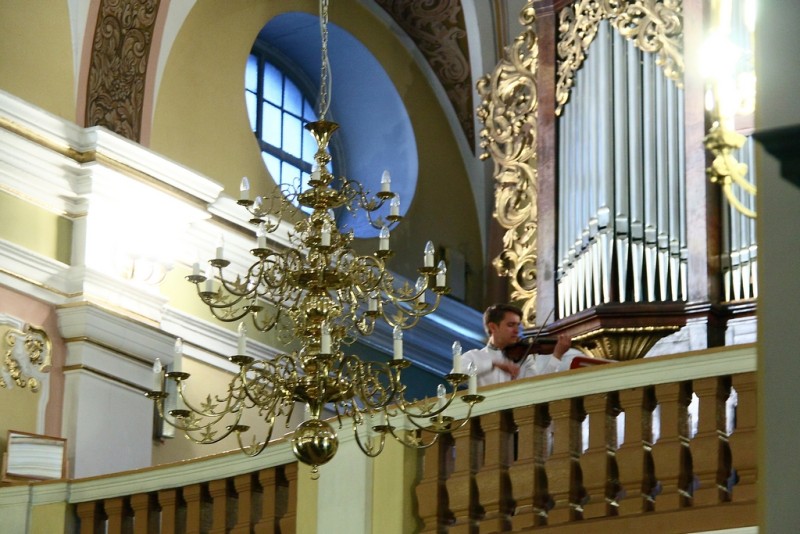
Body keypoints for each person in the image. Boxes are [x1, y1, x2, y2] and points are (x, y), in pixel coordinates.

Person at [461, 303, 573, 387]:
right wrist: (493, 364)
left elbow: (539, 387)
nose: (516, 331)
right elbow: (457, 377)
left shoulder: (524, 358)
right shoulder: (473, 356)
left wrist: (557, 355)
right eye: (510, 325)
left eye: (517, 325)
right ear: (493, 327)